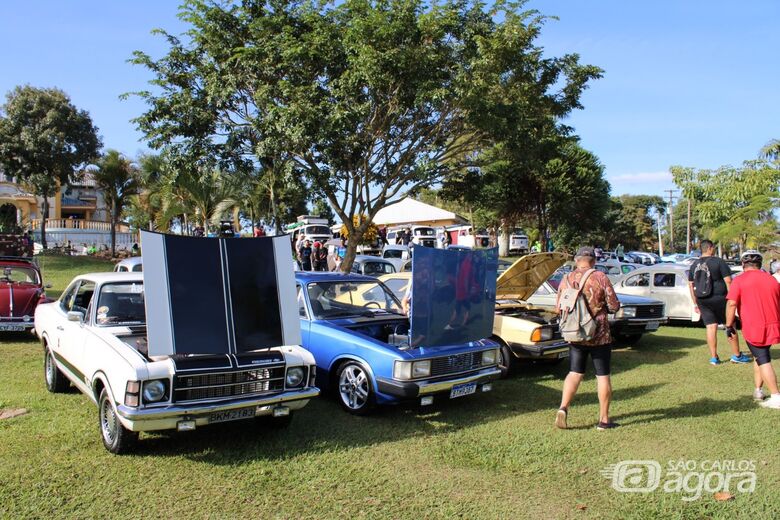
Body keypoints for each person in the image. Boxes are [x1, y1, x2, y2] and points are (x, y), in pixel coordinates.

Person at [555, 246, 621, 430]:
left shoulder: (566, 278)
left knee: (575, 373)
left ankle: (563, 408)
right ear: (594, 261)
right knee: (603, 376)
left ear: (576, 260)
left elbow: (558, 306)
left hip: (575, 333)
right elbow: (614, 305)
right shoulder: (599, 277)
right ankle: (604, 420)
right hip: (599, 334)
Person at [725, 251, 780, 408]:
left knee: (763, 359)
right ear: (760, 264)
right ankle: (758, 390)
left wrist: (729, 325)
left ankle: (776, 395)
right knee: (760, 356)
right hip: (773, 324)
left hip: (754, 326)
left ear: (743, 264)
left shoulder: (739, 280)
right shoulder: (772, 280)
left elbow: (731, 304)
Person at [688, 239, 751, 365]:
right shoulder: (719, 262)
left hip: (702, 299)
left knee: (711, 327)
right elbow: (728, 281)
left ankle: (714, 357)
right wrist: (732, 298)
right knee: (730, 325)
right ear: (710, 248)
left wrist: (695, 303)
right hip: (720, 298)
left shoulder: (694, 264)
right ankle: (736, 355)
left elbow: (690, 284)